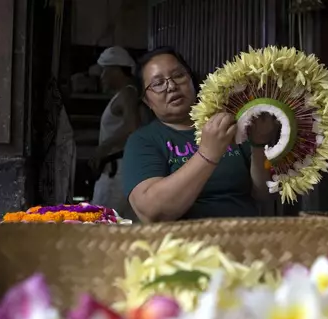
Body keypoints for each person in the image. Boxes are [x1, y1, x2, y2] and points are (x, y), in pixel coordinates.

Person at [123, 47, 279, 223]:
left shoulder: (227, 124)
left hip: (246, 237)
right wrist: (207, 154)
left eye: (179, 75)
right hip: (186, 246)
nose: (172, 86)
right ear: (147, 100)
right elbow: (153, 211)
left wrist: (258, 145)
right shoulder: (143, 140)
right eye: (158, 84)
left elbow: (264, 194)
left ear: (191, 79)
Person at [89, 46, 141, 219]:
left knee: (99, 222)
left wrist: (102, 148)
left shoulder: (128, 93)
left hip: (116, 171)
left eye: (105, 71)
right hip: (118, 168)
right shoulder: (125, 93)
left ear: (117, 70)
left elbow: (132, 125)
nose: (102, 77)